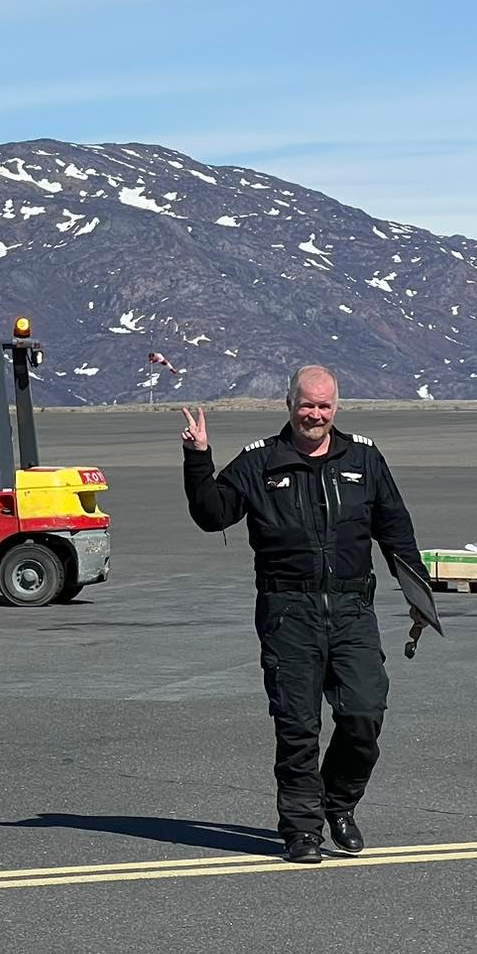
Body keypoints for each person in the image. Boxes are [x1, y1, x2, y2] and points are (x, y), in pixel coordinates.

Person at [181, 365, 431, 864]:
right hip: (287, 612)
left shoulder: (364, 457)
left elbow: (396, 531)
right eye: (306, 404)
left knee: (363, 713)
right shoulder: (261, 461)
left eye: (324, 405)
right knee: (297, 727)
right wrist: (197, 458)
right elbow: (212, 515)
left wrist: (418, 597)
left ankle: (338, 804)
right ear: (289, 403)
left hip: (351, 608)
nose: (315, 414)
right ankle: (301, 830)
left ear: (336, 407)